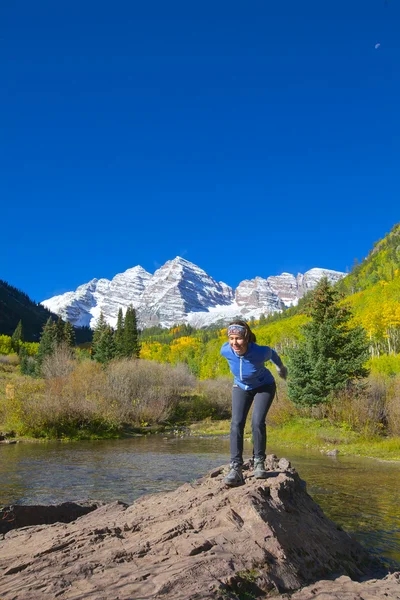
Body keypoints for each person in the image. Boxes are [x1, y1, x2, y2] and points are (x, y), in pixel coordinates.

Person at [220, 319, 287, 486]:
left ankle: (259, 462)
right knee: (236, 423)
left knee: (257, 422)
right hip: (241, 386)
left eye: (239, 338)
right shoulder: (225, 350)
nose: (235, 342)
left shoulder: (259, 352)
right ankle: (236, 468)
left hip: (264, 386)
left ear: (247, 337)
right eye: (231, 338)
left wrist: (280, 368)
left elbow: (272, 353)